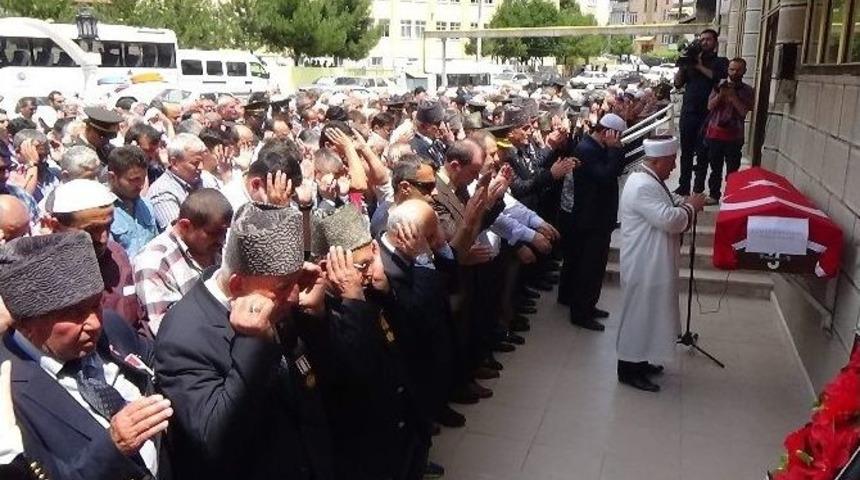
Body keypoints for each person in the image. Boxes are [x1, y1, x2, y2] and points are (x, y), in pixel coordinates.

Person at [154, 202, 334, 480]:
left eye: (295, 281)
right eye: (283, 287)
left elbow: (316, 383)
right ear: (237, 285)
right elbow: (215, 439)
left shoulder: (280, 301)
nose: (294, 296)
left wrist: (315, 317)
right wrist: (252, 343)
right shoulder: (184, 335)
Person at [0, 231, 173, 479]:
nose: (94, 323)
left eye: (96, 305)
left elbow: (162, 366)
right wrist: (114, 447)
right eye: (74, 313)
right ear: (26, 324)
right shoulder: (9, 395)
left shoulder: (111, 327)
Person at [310, 204, 429, 480]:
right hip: (364, 445)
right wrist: (354, 301)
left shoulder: (372, 289)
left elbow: (408, 337)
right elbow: (357, 368)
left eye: (369, 261)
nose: (365, 273)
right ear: (328, 267)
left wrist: (386, 291)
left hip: (400, 426)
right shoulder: (318, 312)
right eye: (360, 266)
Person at [616, 137, 706, 392]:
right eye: (671, 160)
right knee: (639, 316)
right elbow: (669, 220)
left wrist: (682, 202)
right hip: (644, 263)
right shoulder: (642, 185)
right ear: (656, 161)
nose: (674, 165)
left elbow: (666, 205)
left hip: (652, 261)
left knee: (650, 314)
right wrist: (691, 207)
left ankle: (641, 361)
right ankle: (628, 369)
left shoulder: (649, 179)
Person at [44, 179, 144, 332]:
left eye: (108, 227)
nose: (103, 239)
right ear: (55, 226)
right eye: (91, 230)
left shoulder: (116, 255)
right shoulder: (42, 276)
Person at [560, 113, 628, 332]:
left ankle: (584, 303)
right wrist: (615, 149)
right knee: (588, 267)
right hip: (591, 219)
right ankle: (581, 312)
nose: (619, 141)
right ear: (608, 132)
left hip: (596, 218)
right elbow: (606, 175)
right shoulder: (587, 149)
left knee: (590, 265)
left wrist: (614, 150)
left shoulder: (597, 148)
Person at [133, 189, 232, 334]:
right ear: (185, 226)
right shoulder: (154, 263)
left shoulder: (214, 248)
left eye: (224, 232)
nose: (221, 240)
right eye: (214, 233)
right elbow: (167, 330)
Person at [673, 28, 729, 195]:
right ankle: (684, 186)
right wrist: (684, 65)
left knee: (704, 153)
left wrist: (699, 65)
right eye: (702, 39)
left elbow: (718, 79)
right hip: (689, 112)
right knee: (686, 152)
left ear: (715, 43)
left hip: (709, 114)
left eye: (708, 40)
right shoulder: (690, 60)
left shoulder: (720, 62)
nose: (704, 42)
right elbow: (677, 84)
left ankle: (698, 188)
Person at [700, 57, 755, 203]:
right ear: (727, 70)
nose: (735, 72)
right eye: (732, 69)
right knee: (715, 168)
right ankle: (714, 195)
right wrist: (720, 95)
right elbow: (709, 107)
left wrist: (733, 96)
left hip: (734, 136)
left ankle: (731, 195)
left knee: (733, 170)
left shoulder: (747, 90)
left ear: (744, 71)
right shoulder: (718, 86)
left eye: (738, 70)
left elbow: (744, 111)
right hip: (715, 134)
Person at [145, 133, 206, 231]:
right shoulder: (162, 192)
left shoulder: (206, 180)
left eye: (202, 162)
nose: (201, 167)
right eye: (195, 163)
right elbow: (179, 233)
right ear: (174, 163)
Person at [107, 146, 158, 259]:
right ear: (112, 177)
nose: (140, 185)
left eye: (143, 178)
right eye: (133, 180)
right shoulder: (103, 212)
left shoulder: (147, 206)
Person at [411, 101, 451, 168]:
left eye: (442, 122)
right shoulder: (417, 148)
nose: (442, 127)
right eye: (438, 123)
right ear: (423, 126)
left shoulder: (438, 142)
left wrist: (449, 142)